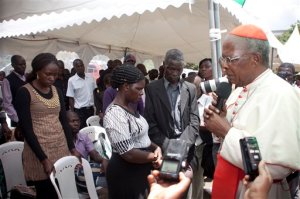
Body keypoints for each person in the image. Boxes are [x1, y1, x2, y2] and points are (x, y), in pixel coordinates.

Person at [203, 24, 300, 198]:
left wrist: (225, 130)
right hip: (230, 181)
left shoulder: (281, 93)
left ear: (254, 58)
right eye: (222, 60)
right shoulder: (239, 90)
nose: (224, 67)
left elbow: (275, 166)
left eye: (230, 59)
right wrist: (222, 119)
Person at [15, 53, 81, 199]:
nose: (52, 78)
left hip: (60, 146)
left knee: (62, 188)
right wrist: (43, 159)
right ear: (37, 71)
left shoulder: (56, 90)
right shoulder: (24, 92)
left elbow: (64, 121)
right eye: (48, 74)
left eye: (55, 74)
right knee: (46, 192)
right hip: (38, 150)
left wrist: (72, 147)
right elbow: (27, 129)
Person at [144, 49, 200, 198]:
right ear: (164, 66)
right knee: (165, 190)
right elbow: (150, 122)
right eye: (171, 68)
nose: (175, 72)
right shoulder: (152, 88)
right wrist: (168, 145)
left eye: (178, 69)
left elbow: (194, 120)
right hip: (163, 149)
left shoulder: (191, 89)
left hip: (186, 149)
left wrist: (182, 146)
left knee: (183, 190)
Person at [103, 64, 162, 199]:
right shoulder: (114, 114)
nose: (141, 93)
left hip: (139, 168)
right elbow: (128, 154)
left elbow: (140, 137)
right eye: (138, 89)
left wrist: (156, 147)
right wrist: (154, 157)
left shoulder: (129, 107)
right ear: (125, 86)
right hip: (126, 172)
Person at [67, 59, 97, 129]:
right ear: (75, 68)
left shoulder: (91, 77)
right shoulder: (71, 80)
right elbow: (71, 97)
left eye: (81, 65)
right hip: (80, 111)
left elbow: (94, 92)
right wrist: (72, 112)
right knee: (81, 130)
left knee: (91, 129)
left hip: (91, 109)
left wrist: (97, 107)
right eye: (78, 66)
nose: (80, 68)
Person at [2, 55, 27, 127]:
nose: (23, 66)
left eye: (24, 64)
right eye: (20, 64)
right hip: (18, 118)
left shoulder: (27, 77)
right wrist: (17, 119)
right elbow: (7, 103)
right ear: (13, 65)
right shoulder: (7, 80)